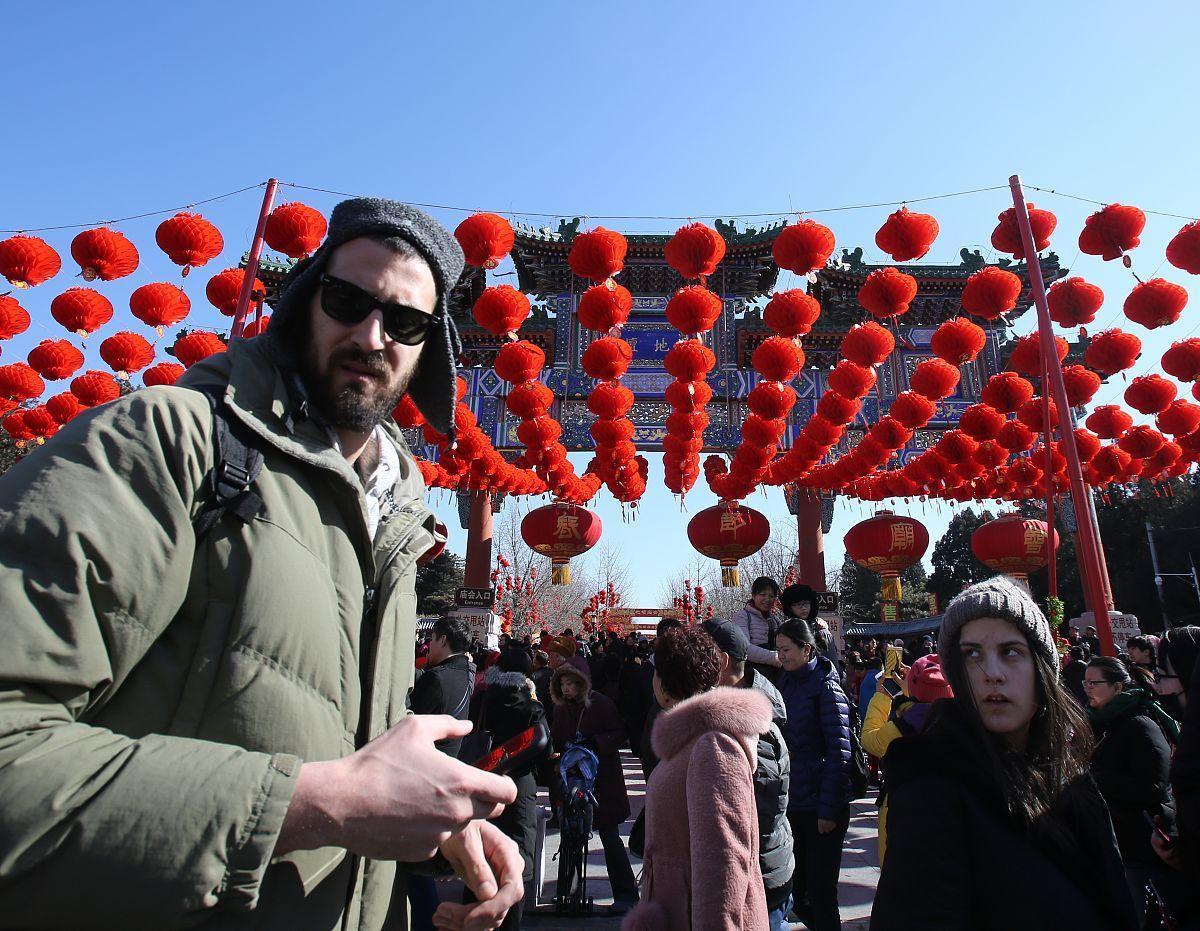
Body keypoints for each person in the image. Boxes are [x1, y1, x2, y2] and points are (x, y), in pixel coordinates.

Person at [0, 198, 524, 930]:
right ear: (306, 299)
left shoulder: (396, 514)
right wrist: (319, 804)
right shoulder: (166, 442)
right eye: (348, 301)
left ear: (429, 347)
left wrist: (430, 822)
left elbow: (328, 737)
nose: (371, 336)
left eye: (405, 322)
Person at [871, 576, 1137, 931]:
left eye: (1011, 652)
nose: (992, 674)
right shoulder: (929, 790)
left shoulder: (1073, 775)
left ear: (1041, 667)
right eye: (971, 654)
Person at [622, 627, 772, 931]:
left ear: (664, 683)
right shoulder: (691, 740)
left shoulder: (712, 745)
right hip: (678, 909)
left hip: (695, 915)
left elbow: (724, 859)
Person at [702, 619, 795, 931]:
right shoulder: (741, 706)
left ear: (722, 662)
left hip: (760, 873)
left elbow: (759, 812)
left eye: (699, 657)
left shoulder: (753, 722)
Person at [1084, 655, 1178, 923]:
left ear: (1117, 687)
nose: (1087, 688)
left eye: (1094, 683)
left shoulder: (1139, 723)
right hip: (1118, 841)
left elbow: (1154, 785)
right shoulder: (1102, 724)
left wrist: (1096, 780)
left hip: (1142, 843)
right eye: (1085, 682)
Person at [465, 647, 551, 930]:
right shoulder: (530, 706)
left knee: (479, 850)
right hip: (518, 784)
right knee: (515, 857)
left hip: (483, 778)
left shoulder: (483, 697)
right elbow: (545, 748)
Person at [775, 619, 852, 931]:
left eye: (786, 649)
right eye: (778, 650)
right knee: (797, 890)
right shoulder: (785, 682)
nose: (781, 655)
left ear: (806, 649)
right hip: (795, 800)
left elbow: (840, 751)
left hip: (822, 804)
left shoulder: (826, 687)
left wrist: (829, 808)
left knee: (821, 894)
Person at [549, 655, 638, 914]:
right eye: (563, 684)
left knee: (609, 836)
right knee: (571, 836)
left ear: (582, 683)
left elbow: (619, 733)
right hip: (573, 782)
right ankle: (568, 891)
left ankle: (626, 895)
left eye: (571, 683)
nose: (566, 689)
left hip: (603, 782)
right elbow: (556, 737)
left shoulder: (602, 704)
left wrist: (595, 743)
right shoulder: (561, 709)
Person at [861, 653, 953, 864]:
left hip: (902, 816)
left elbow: (869, 739)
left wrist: (883, 697)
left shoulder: (900, 728)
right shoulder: (966, 724)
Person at [408, 614, 475, 757]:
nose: (429, 645)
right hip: (447, 759)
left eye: (432, 639)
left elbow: (410, 723)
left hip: (425, 759)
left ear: (443, 640)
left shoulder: (436, 678)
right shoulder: (464, 674)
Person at [731, 576, 784, 679]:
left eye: (771, 596)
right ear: (753, 595)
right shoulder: (742, 616)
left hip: (776, 674)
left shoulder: (774, 619)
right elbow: (744, 648)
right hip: (754, 675)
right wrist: (775, 658)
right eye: (763, 594)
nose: (767, 599)